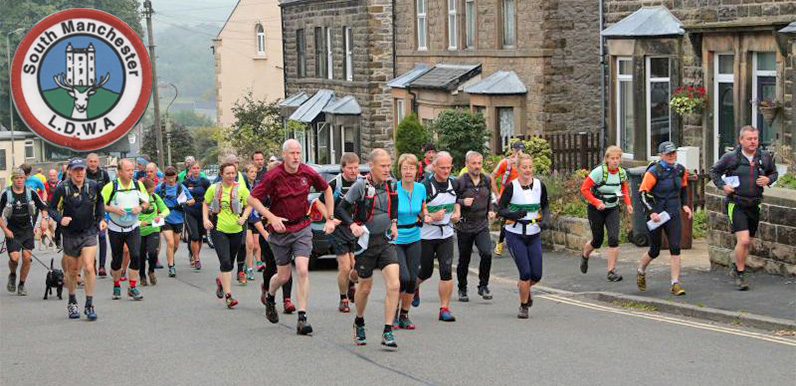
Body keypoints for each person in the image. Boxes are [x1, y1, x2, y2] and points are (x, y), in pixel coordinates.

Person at [248, 139, 335, 335]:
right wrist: (271, 217)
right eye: (292, 153)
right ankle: (270, 297)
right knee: (283, 276)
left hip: (302, 227)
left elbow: (327, 189)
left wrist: (330, 218)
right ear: (284, 155)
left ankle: (302, 318)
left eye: (298, 153)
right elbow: (251, 198)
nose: (296, 157)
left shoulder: (308, 172)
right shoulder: (273, 176)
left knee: (303, 270)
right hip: (280, 232)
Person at [335, 149, 400, 348]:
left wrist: (394, 223)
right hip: (366, 243)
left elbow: (394, 205)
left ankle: (388, 330)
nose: (387, 169)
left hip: (386, 240)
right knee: (365, 288)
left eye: (389, 165)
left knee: (394, 284)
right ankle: (359, 321)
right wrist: (352, 225)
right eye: (383, 166)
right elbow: (340, 208)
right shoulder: (360, 185)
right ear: (371, 166)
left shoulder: (391, 183)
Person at [709, 126, 778, 290]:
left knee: (748, 243)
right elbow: (714, 172)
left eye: (755, 138)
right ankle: (740, 274)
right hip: (736, 203)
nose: (753, 141)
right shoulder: (731, 158)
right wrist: (723, 186)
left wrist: (768, 180)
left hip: (754, 204)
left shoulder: (764, 157)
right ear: (741, 140)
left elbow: (774, 173)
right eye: (749, 138)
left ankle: (736, 265)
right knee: (744, 240)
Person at [49, 158, 106, 320]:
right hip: (70, 234)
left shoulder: (93, 186)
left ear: (85, 171)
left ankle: (89, 304)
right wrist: (60, 220)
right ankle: (72, 301)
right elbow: (52, 208)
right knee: (73, 271)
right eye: (76, 170)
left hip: (89, 232)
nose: (79, 172)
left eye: (81, 169)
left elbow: (100, 203)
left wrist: (101, 219)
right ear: (70, 172)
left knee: (89, 267)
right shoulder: (62, 189)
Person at [498, 153, 551, 319]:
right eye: (524, 167)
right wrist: (514, 214)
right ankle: (523, 306)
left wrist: (546, 220)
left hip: (533, 233)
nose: (527, 170)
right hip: (515, 234)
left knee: (536, 275)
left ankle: (524, 287)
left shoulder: (539, 186)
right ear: (518, 169)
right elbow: (501, 209)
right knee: (525, 273)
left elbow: (545, 205)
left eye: (530, 167)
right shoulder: (511, 187)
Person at [637, 141, 693, 296]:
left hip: (673, 212)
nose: (671, 156)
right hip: (657, 215)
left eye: (673, 153)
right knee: (654, 250)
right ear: (661, 155)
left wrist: (685, 205)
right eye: (668, 154)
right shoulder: (654, 171)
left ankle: (675, 283)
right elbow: (642, 194)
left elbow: (683, 189)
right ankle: (641, 270)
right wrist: (652, 212)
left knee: (675, 247)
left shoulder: (681, 170)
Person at [417, 151, 461, 322]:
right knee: (426, 271)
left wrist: (456, 213)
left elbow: (457, 200)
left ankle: (444, 308)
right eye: (442, 167)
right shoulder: (425, 186)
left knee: (446, 270)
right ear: (434, 167)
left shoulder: (454, 183)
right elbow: (419, 210)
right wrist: (430, 216)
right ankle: (413, 289)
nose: (446, 171)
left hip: (446, 233)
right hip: (426, 235)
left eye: (448, 167)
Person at [579, 146, 633, 281]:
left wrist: (628, 204)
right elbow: (584, 189)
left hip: (612, 208)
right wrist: (597, 202)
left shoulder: (622, 173)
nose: (615, 161)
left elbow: (624, 188)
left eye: (618, 158)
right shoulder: (598, 172)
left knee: (614, 239)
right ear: (607, 159)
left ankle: (611, 271)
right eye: (612, 158)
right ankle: (585, 256)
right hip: (596, 209)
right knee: (597, 241)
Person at [203, 162, 252, 309]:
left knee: (230, 262)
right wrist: (205, 219)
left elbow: (250, 204)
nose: (231, 176)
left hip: (236, 230)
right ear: (221, 174)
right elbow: (205, 203)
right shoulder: (214, 188)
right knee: (225, 262)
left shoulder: (241, 189)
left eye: (233, 173)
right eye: (227, 173)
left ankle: (221, 281)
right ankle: (229, 296)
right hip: (219, 229)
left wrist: (244, 217)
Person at [102, 159, 149, 301]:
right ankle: (116, 285)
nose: (131, 172)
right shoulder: (111, 186)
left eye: (132, 169)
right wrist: (113, 209)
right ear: (119, 171)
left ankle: (132, 287)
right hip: (115, 228)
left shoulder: (138, 185)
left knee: (135, 256)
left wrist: (140, 208)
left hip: (133, 227)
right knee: (117, 260)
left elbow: (146, 202)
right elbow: (101, 204)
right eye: (128, 170)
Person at [454, 151, 496, 302]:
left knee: (487, 253)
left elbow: (489, 197)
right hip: (464, 226)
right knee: (464, 259)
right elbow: (451, 199)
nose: (477, 166)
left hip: (481, 225)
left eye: (479, 163)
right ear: (467, 164)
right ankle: (462, 288)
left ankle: (483, 286)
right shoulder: (460, 181)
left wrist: (491, 210)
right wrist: (461, 202)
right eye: (474, 163)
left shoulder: (486, 180)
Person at [322, 152, 362, 313]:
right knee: (345, 267)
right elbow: (318, 202)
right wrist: (330, 218)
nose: (353, 171)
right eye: (350, 168)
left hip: (356, 228)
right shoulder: (335, 184)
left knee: (357, 268)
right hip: (339, 229)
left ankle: (351, 284)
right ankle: (343, 297)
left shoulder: (362, 183)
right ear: (343, 168)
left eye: (356, 168)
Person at [2, 168, 49, 296]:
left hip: (27, 229)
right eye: (16, 178)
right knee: (14, 258)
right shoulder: (6, 193)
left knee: (27, 258)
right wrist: (5, 229)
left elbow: (43, 206)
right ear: (12, 179)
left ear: (25, 179)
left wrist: (44, 219)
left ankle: (22, 285)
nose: (19, 180)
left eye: (21, 178)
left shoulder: (31, 192)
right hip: (12, 230)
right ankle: (12, 274)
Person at [394, 153, 427, 330]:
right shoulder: (393, 188)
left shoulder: (421, 189)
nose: (408, 171)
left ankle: (404, 315)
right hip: (397, 238)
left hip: (414, 236)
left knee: (412, 279)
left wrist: (427, 216)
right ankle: (393, 312)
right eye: (405, 168)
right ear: (400, 171)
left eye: (411, 168)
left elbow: (422, 209)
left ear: (416, 171)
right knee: (403, 278)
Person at [157, 167, 195, 277]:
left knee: (176, 244)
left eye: (172, 177)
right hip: (165, 217)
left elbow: (192, 200)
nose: (170, 180)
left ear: (176, 176)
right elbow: (151, 196)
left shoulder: (180, 187)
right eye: (168, 177)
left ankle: (170, 257)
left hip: (178, 218)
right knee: (170, 242)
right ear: (165, 177)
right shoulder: (160, 187)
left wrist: (185, 203)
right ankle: (171, 266)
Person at [490, 141, 524, 256]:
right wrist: (497, 194)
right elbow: (492, 176)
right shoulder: (505, 163)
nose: (519, 152)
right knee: (506, 219)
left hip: (520, 195)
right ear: (513, 150)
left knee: (520, 218)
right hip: (506, 195)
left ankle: (518, 243)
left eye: (521, 150)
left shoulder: (524, 164)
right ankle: (500, 243)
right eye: (517, 150)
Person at [138, 178, 169, 286]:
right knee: (140, 255)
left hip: (154, 229)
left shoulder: (155, 197)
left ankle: (151, 271)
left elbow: (166, 210)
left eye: (153, 191)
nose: (151, 193)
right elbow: (130, 214)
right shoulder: (136, 199)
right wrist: (138, 222)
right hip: (140, 231)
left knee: (152, 252)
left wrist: (160, 215)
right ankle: (142, 275)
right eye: (149, 191)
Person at [85, 153, 111, 277]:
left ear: (98, 163)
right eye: (91, 161)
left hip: (101, 209)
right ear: (87, 162)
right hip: (87, 210)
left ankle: (101, 266)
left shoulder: (103, 174)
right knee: (91, 238)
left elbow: (110, 190)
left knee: (102, 236)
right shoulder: (83, 173)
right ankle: (92, 263)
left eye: (95, 161)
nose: (93, 164)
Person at [182, 162, 211, 269]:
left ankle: (194, 254)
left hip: (202, 212)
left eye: (198, 168)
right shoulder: (185, 183)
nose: (196, 170)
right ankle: (196, 258)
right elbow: (180, 197)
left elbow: (211, 195)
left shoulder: (205, 182)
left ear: (200, 170)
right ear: (190, 170)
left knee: (199, 237)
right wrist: (186, 202)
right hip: (190, 211)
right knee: (193, 236)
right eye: (194, 168)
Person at [243, 163, 262, 280]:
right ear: (246, 173)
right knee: (249, 244)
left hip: (256, 216)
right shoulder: (243, 185)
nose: (254, 174)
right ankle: (250, 269)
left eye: (255, 172)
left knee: (256, 245)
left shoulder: (258, 184)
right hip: (246, 217)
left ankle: (247, 263)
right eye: (251, 172)